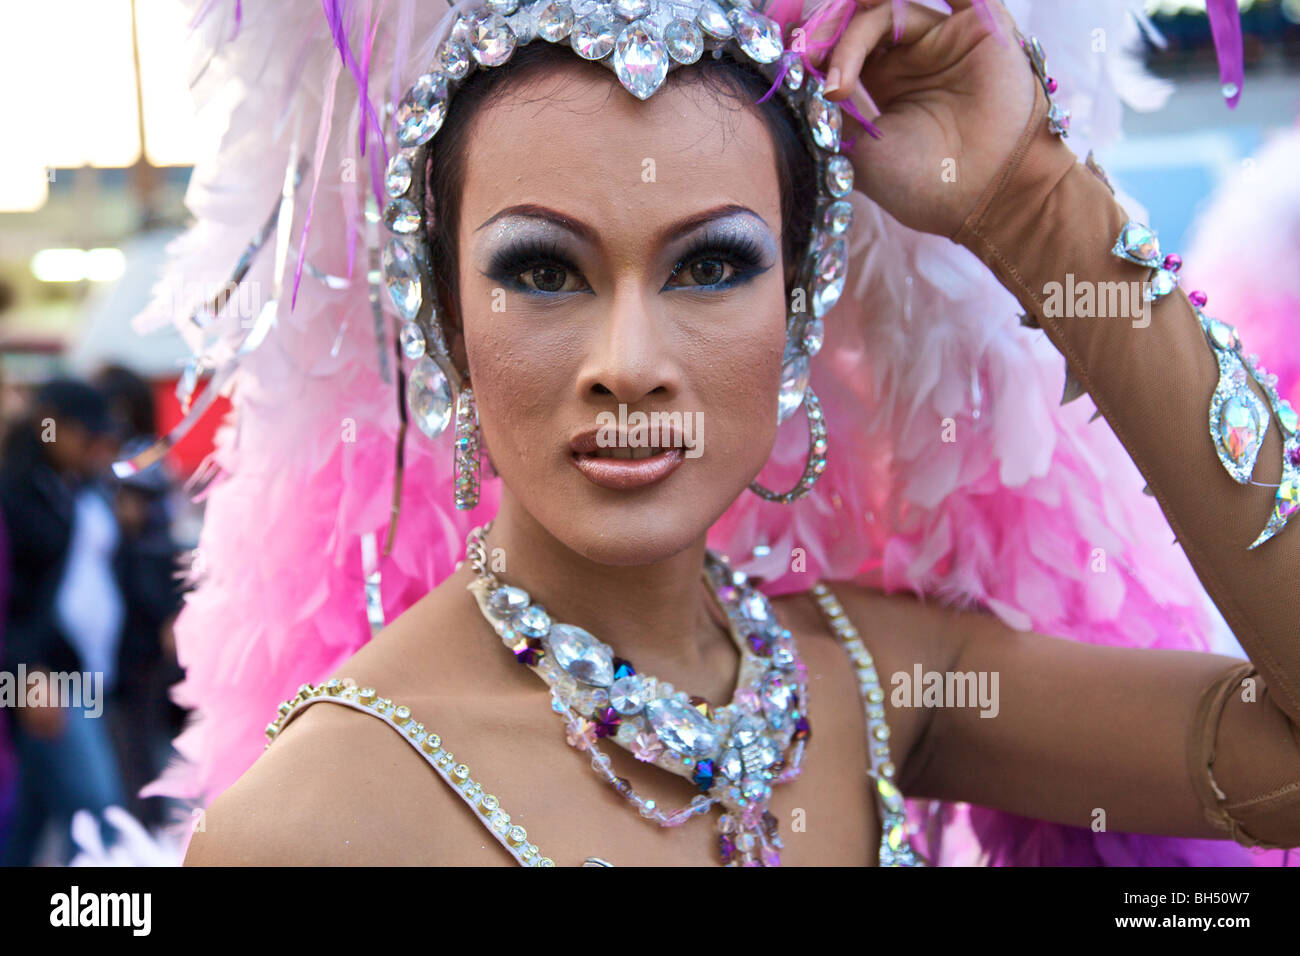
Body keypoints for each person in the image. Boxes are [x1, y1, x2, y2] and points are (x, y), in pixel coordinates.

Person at [140, 0, 1296, 866]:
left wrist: (1032, 201)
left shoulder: (880, 683)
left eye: (710, 265)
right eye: (543, 271)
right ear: (443, 321)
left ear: (796, 313)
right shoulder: (324, 816)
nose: (629, 363)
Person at [0, 377, 128, 865]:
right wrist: (26, 672)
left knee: (29, 817)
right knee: (95, 810)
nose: (94, 446)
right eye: (84, 434)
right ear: (50, 426)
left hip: (84, 672)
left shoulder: (73, 486)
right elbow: (13, 600)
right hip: (45, 678)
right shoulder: (16, 491)